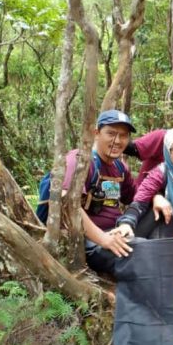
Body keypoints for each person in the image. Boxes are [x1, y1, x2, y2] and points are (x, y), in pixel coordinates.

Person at [62, 110, 136, 274]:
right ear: (96, 133)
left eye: (123, 136)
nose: (117, 141)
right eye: (111, 133)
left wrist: (126, 222)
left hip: (117, 232)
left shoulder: (119, 167)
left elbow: (137, 199)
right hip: (92, 243)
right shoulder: (80, 160)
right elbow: (67, 202)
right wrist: (104, 240)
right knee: (141, 253)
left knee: (157, 216)